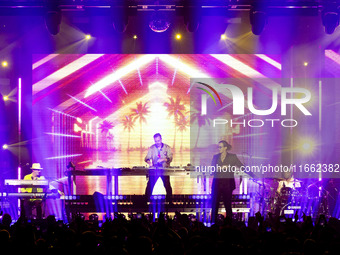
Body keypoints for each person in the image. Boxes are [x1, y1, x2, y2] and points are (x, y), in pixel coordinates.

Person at [210, 140, 243, 224]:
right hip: (217, 184)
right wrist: (220, 168)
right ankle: (213, 224)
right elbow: (212, 170)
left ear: (225, 148)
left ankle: (229, 224)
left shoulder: (232, 157)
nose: (219, 148)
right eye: (218, 147)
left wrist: (253, 174)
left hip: (228, 185)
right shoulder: (215, 157)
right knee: (214, 205)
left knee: (228, 205)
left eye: (220, 147)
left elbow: (241, 166)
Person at [144, 133, 173, 202]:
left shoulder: (167, 148)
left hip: (164, 170)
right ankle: (146, 202)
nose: (157, 142)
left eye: (158, 141)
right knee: (150, 186)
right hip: (155, 170)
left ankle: (170, 202)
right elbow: (146, 158)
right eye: (156, 141)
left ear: (161, 139)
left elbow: (170, 158)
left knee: (167, 186)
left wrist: (163, 159)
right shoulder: (152, 148)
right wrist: (149, 162)